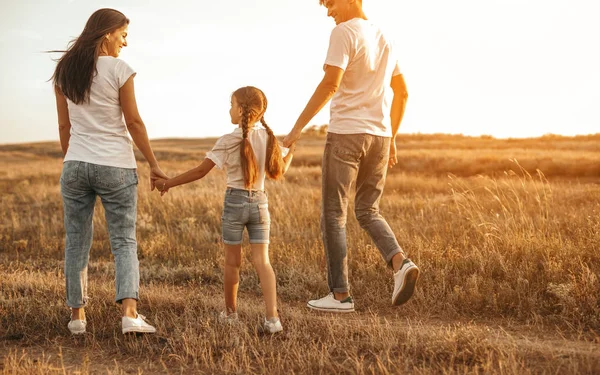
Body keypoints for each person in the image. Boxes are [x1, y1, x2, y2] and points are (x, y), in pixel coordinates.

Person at [283, 0, 419, 312]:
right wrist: (393, 137)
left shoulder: (344, 33)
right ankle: (401, 263)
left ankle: (340, 295)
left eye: (330, 3)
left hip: (346, 133)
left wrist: (296, 129)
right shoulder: (385, 37)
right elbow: (403, 92)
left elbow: (331, 84)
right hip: (380, 137)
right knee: (368, 210)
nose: (328, 10)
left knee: (333, 214)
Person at [52, 8, 167, 334]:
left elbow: (64, 125)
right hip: (116, 165)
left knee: (76, 242)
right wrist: (154, 164)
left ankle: (77, 318)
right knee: (123, 241)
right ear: (108, 34)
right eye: (123, 35)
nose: (125, 43)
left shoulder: (65, 71)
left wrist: (73, 158)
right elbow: (133, 122)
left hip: (75, 165)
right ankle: (129, 314)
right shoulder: (119, 69)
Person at [154, 86, 294, 333]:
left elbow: (200, 171)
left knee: (233, 262)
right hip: (260, 203)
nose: (229, 109)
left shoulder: (228, 140)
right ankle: (273, 319)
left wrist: (168, 183)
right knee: (263, 261)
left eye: (231, 104)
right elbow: (280, 170)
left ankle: (230, 314)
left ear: (241, 110)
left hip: (234, 203)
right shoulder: (269, 139)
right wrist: (291, 150)